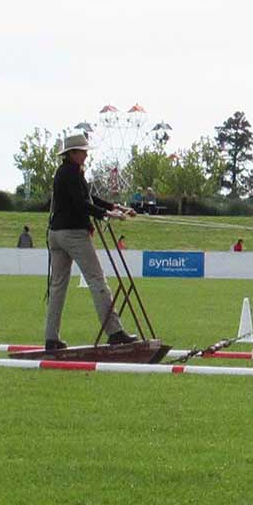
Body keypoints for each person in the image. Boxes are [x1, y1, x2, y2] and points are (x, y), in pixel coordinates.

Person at [44, 133, 144, 353]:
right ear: (72, 153)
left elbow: (88, 198)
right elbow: (82, 205)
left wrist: (115, 207)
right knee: (97, 280)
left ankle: (51, 338)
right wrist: (107, 215)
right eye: (82, 151)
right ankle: (115, 332)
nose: (86, 154)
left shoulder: (66, 172)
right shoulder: (71, 173)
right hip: (73, 234)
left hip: (55, 233)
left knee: (58, 286)